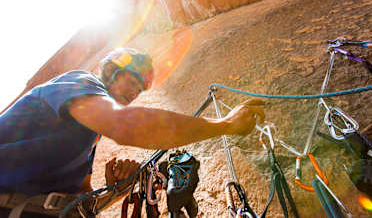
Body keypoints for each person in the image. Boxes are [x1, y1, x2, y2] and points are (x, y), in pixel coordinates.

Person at [0, 48, 265, 217]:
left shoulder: (87, 137)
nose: (133, 92)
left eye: (139, 89)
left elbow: (83, 200)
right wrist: (226, 125)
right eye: (131, 81)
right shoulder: (79, 82)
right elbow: (124, 125)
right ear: (111, 72)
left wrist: (118, 189)